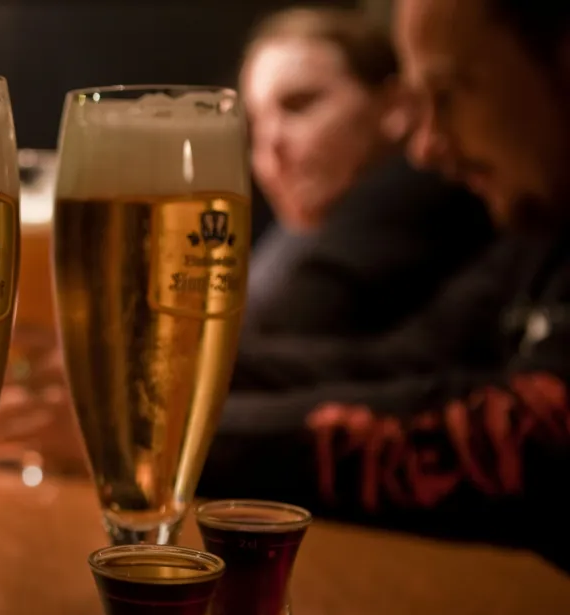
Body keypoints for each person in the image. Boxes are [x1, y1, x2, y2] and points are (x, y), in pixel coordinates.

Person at [200, 0, 570, 567]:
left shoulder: (418, 197)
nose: (425, 146)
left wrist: (173, 440)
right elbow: (409, 359)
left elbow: (525, 441)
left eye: (450, 93)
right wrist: (158, 388)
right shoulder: (540, 233)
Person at [240, 8, 493, 337]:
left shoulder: (418, 190)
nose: (270, 144)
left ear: (395, 106)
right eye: (254, 124)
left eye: (299, 104)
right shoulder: (287, 242)